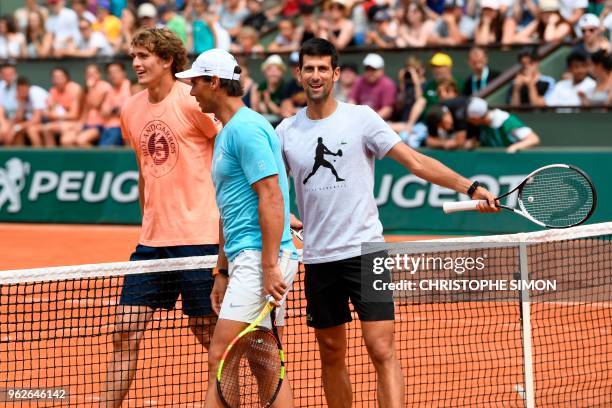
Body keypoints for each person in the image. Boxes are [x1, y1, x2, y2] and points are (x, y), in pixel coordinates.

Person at [276, 38, 498, 408]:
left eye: (322, 69)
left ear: (336, 74)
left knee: (381, 348)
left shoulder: (361, 118)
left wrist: (469, 187)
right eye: (308, 68)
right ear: (299, 74)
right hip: (317, 258)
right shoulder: (285, 131)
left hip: (368, 252)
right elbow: (269, 190)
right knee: (330, 353)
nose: (315, 76)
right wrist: (286, 216)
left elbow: (415, 161)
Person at [100, 28, 220, 408]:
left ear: (167, 60)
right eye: (133, 56)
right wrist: (148, 219)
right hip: (152, 244)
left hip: (200, 237)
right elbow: (144, 169)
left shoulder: (193, 101)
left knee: (209, 333)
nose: (136, 63)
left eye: (144, 56)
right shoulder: (130, 109)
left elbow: (229, 149)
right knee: (125, 332)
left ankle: (250, 390)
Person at [175, 47, 299, 408]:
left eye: (196, 83)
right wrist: (222, 269)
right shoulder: (231, 130)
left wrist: (269, 265)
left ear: (214, 82)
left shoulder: (245, 129)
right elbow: (230, 209)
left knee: (221, 354)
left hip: (260, 259)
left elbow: (271, 196)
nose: (192, 91)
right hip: (246, 258)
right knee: (264, 360)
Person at [467, 97, 540, 152]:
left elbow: (533, 139)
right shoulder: (481, 126)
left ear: (475, 118)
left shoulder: (507, 121)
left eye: (468, 117)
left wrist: (514, 147)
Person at [348, 53, 396, 120]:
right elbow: (352, 101)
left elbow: (387, 110)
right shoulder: (359, 81)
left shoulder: (388, 84)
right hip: (360, 120)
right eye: (367, 69)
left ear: (381, 70)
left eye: (373, 69)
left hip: (382, 122)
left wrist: (370, 120)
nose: (370, 72)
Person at [99, 62, 131, 146]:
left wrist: (112, 110)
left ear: (123, 73)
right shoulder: (110, 90)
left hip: (121, 129)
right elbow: (103, 112)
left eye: (116, 71)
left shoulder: (129, 86)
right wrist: (114, 110)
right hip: (107, 127)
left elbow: (125, 111)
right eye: (110, 73)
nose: (113, 75)